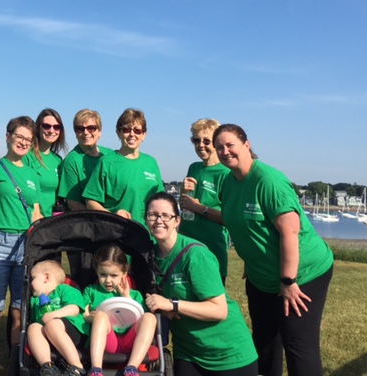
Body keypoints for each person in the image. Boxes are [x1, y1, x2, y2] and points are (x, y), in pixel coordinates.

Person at [213, 124, 334, 376]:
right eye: (219, 148)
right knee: (265, 344)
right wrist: (252, 260)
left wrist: (288, 281)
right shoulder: (228, 181)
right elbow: (241, 224)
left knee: (298, 345)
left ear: (247, 145)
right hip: (261, 278)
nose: (225, 152)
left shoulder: (268, 181)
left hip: (302, 274)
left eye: (230, 145)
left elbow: (289, 232)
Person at [143, 192, 258, 376]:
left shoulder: (195, 255)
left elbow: (219, 310)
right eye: (152, 215)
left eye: (166, 215)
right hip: (188, 353)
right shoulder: (149, 257)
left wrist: (172, 304)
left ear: (177, 221)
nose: (158, 220)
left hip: (228, 355)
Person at [0, 116, 42, 376]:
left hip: (25, 246)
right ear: (8, 136)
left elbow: (36, 213)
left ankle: (14, 369)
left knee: (19, 313)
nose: (23, 142)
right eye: (19, 136)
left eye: (28, 139)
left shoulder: (33, 173)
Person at [83, 243, 157, 376]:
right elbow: (83, 314)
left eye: (114, 275)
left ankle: (132, 368)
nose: (108, 281)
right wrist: (90, 318)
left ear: (124, 274)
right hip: (106, 341)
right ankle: (95, 369)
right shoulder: (91, 291)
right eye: (103, 275)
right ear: (97, 272)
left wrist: (126, 297)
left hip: (132, 341)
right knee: (100, 315)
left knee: (149, 317)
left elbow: (141, 319)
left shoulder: (135, 295)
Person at [83, 108, 164, 227]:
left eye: (137, 130)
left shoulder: (151, 163)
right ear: (118, 133)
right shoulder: (106, 162)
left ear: (144, 135)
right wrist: (113, 216)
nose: (132, 134)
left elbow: (161, 200)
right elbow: (90, 201)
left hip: (149, 234)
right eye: (126, 129)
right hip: (118, 232)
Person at [57, 109, 111, 285]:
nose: (86, 132)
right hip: (84, 234)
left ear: (100, 131)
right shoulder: (72, 160)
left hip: (109, 231)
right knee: (87, 280)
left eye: (91, 127)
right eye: (80, 128)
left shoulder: (109, 156)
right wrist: (106, 216)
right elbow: (73, 203)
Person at [178, 118, 230, 284]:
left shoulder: (226, 173)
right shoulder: (194, 167)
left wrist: (199, 208)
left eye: (206, 141)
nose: (200, 145)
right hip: (186, 245)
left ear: (216, 142)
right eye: (196, 140)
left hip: (212, 249)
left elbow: (230, 218)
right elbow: (184, 205)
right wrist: (183, 193)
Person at [27, 260, 89, 376]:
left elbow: (74, 309)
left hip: (74, 333)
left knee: (52, 324)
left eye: (33, 278)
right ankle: (48, 367)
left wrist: (54, 315)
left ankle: (77, 367)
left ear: (46, 277)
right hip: (49, 339)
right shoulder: (35, 301)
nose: (30, 283)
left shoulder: (65, 290)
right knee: (33, 327)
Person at [23, 108, 67, 217]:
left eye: (56, 127)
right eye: (46, 126)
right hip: (33, 221)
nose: (51, 130)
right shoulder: (27, 156)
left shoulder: (58, 160)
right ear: (38, 128)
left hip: (53, 222)